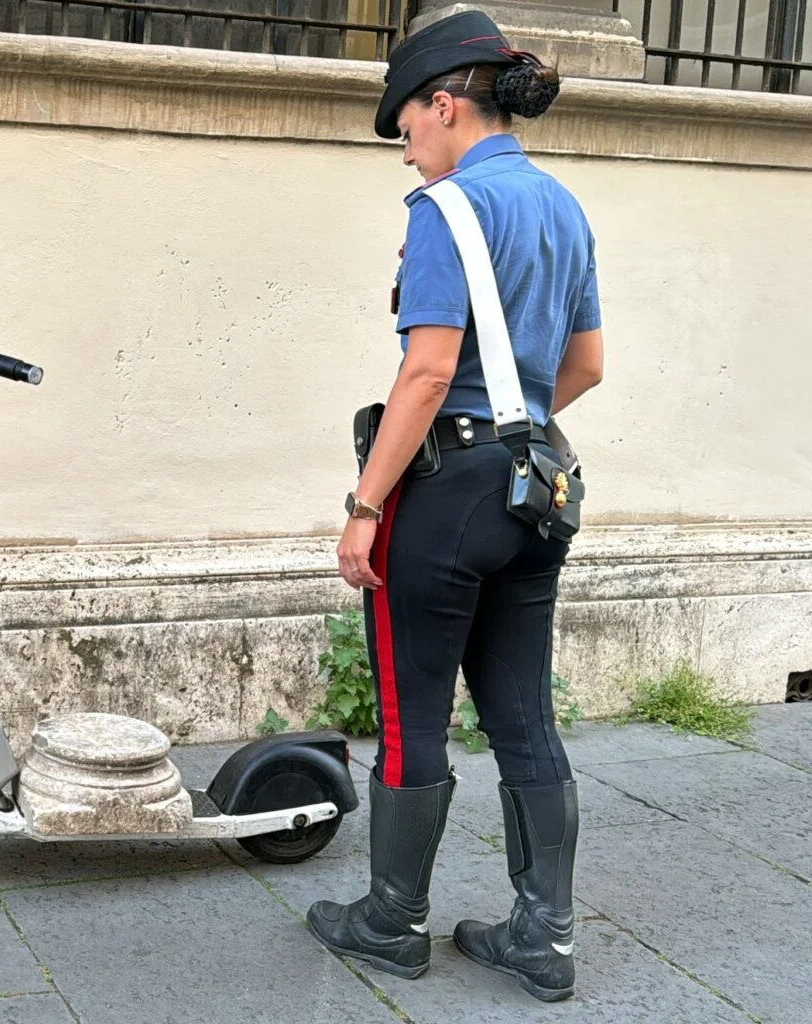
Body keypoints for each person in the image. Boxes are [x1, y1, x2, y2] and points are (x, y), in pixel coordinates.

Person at [303, 12, 605, 1004]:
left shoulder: (448, 208)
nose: (407, 149)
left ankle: (392, 922)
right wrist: (513, 425)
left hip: (445, 495)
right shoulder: (562, 206)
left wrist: (364, 503)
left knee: (413, 713)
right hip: (535, 487)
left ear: (444, 105)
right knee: (523, 714)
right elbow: (586, 366)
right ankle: (543, 938)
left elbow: (428, 373)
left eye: (407, 127)